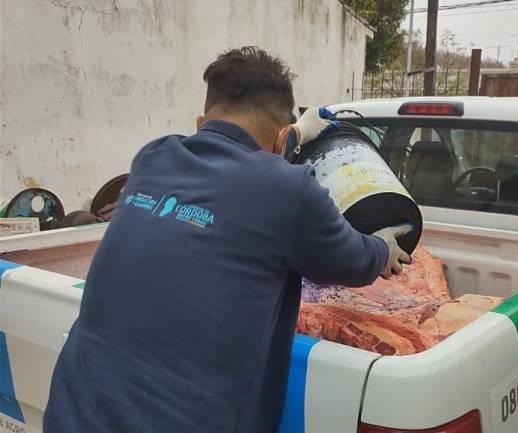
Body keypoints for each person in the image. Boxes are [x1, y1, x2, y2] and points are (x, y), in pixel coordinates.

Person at [43, 46, 411, 433]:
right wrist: (382, 248)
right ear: (283, 139)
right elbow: (352, 261)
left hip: (72, 412)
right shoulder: (287, 189)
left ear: (201, 121)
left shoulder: (152, 157)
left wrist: (295, 133)